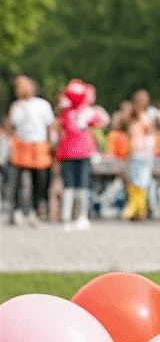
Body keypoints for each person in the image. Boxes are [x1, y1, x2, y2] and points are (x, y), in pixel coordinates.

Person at [54, 79, 109, 230]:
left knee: (79, 186)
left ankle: (79, 216)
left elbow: (102, 121)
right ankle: (71, 216)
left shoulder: (82, 112)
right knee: (73, 186)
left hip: (77, 152)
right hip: (75, 152)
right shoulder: (69, 112)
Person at [4, 76, 55, 226]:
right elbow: (11, 126)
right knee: (16, 181)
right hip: (20, 146)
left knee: (38, 181)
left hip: (38, 145)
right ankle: (17, 210)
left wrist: (51, 141)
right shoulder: (16, 107)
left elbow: (50, 125)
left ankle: (35, 210)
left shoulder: (42, 105)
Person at [122, 98, 156, 220]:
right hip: (147, 154)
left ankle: (134, 209)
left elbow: (133, 141)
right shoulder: (146, 118)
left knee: (136, 182)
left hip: (137, 154)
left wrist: (128, 155)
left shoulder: (135, 123)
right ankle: (140, 209)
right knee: (142, 182)